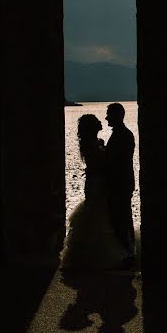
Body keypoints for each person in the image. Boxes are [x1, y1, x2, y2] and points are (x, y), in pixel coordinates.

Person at [60, 114, 129, 270]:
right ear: (92, 126)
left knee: (98, 214)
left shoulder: (92, 143)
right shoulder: (90, 144)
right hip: (96, 183)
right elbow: (100, 163)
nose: (101, 121)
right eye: (96, 121)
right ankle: (97, 256)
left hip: (97, 182)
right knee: (97, 214)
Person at [104, 102, 137, 268]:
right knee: (120, 219)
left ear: (117, 116)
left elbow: (116, 162)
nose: (106, 117)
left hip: (120, 184)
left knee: (122, 219)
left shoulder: (124, 136)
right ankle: (126, 252)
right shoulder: (123, 134)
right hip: (121, 184)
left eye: (109, 114)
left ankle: (128, 253)